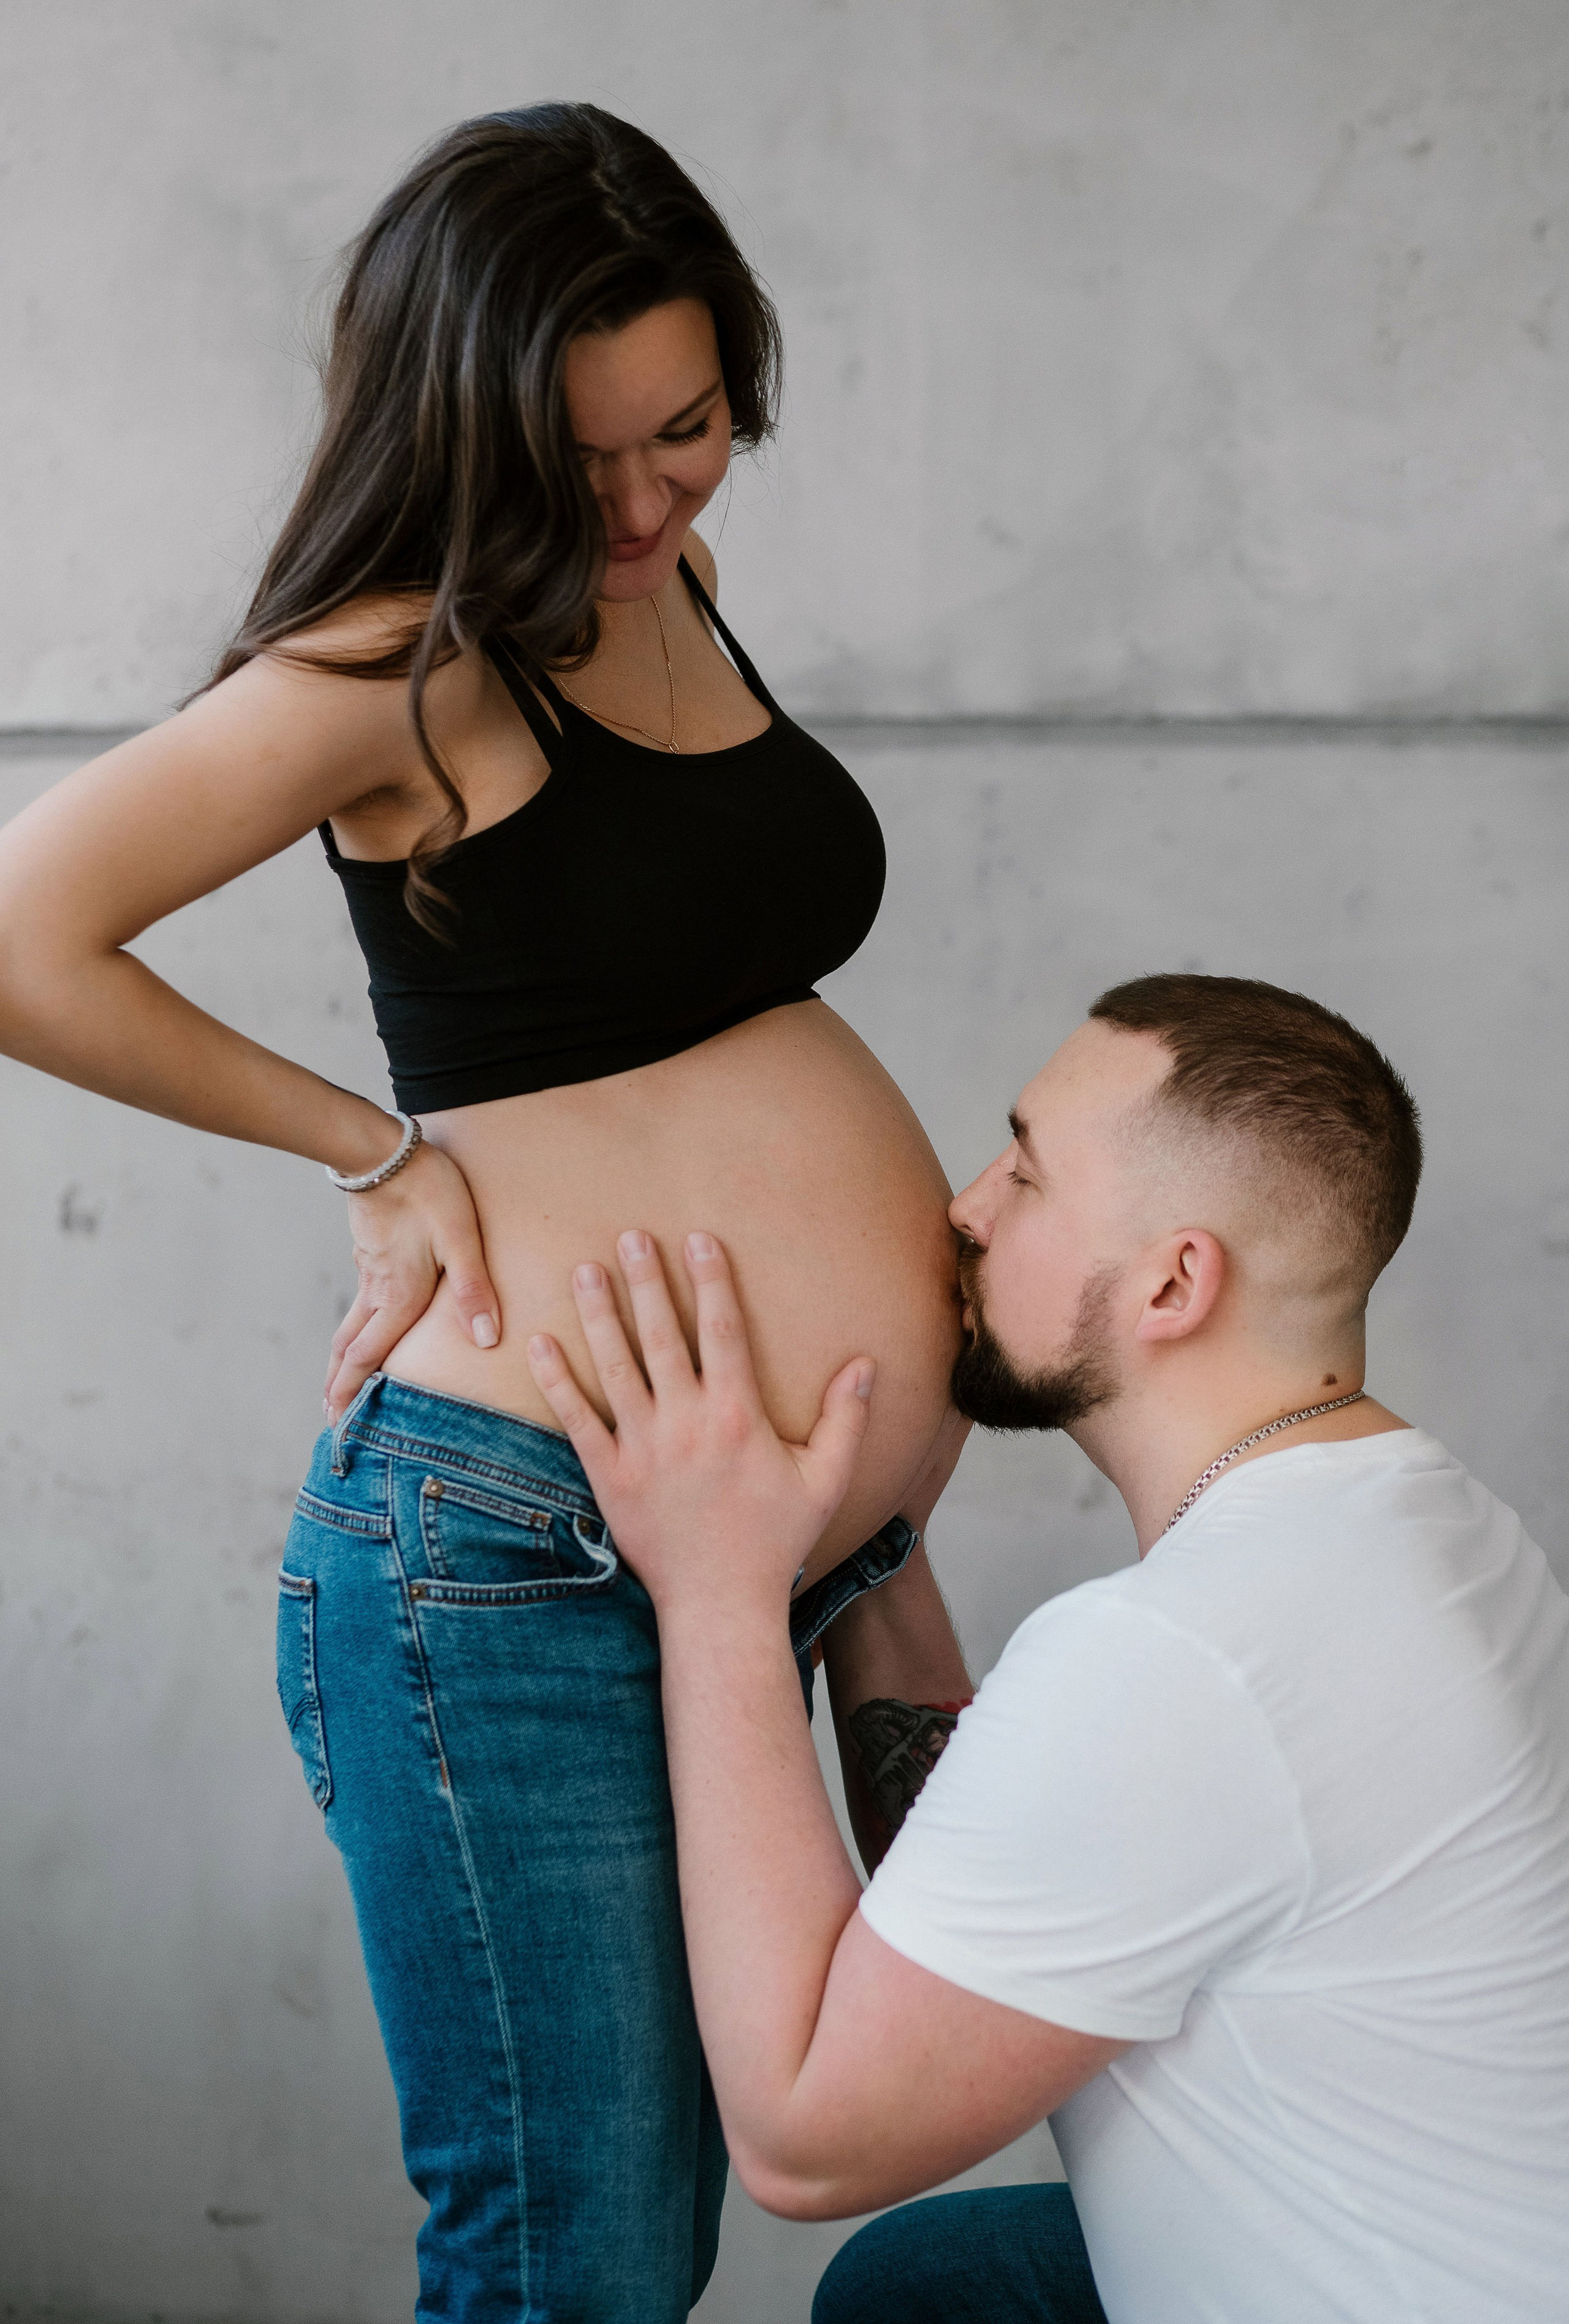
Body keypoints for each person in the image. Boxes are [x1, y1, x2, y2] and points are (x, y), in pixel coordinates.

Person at [0, 105, 974, 2319]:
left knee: (664, 2234)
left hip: (749, 1549)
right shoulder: (395, 665)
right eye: (577, 457)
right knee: (575, 2260)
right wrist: (376, 1152)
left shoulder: (670, 580)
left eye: (688, 432)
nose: (640, 505)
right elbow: (21, 935)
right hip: (512, 1557)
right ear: (461, 424)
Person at [528, 972, 1569, 2324]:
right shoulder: (1432, 1525)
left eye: (1025, 1172)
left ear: (1172, 1282)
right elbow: (987, 1902)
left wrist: (718, 1587)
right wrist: (877, 1542)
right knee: (925, 2284)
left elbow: (806, 2139)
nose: (967, 1207)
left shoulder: (1178, 1656)